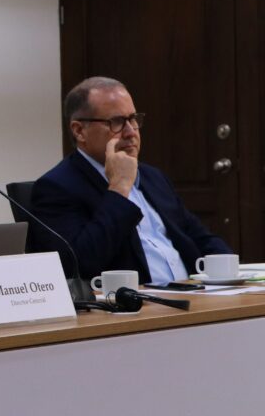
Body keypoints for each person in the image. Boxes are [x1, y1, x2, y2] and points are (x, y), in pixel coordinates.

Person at [30, 76, 232, 286]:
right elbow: (79, 264)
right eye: (116, 122)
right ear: (80, 131)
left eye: (133, 119)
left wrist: (231, 273)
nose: (130, 132)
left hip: (192, 295)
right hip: (134, 306)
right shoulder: (56, 188)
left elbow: (199, 238)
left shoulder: (154, 177)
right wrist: (119, 188)